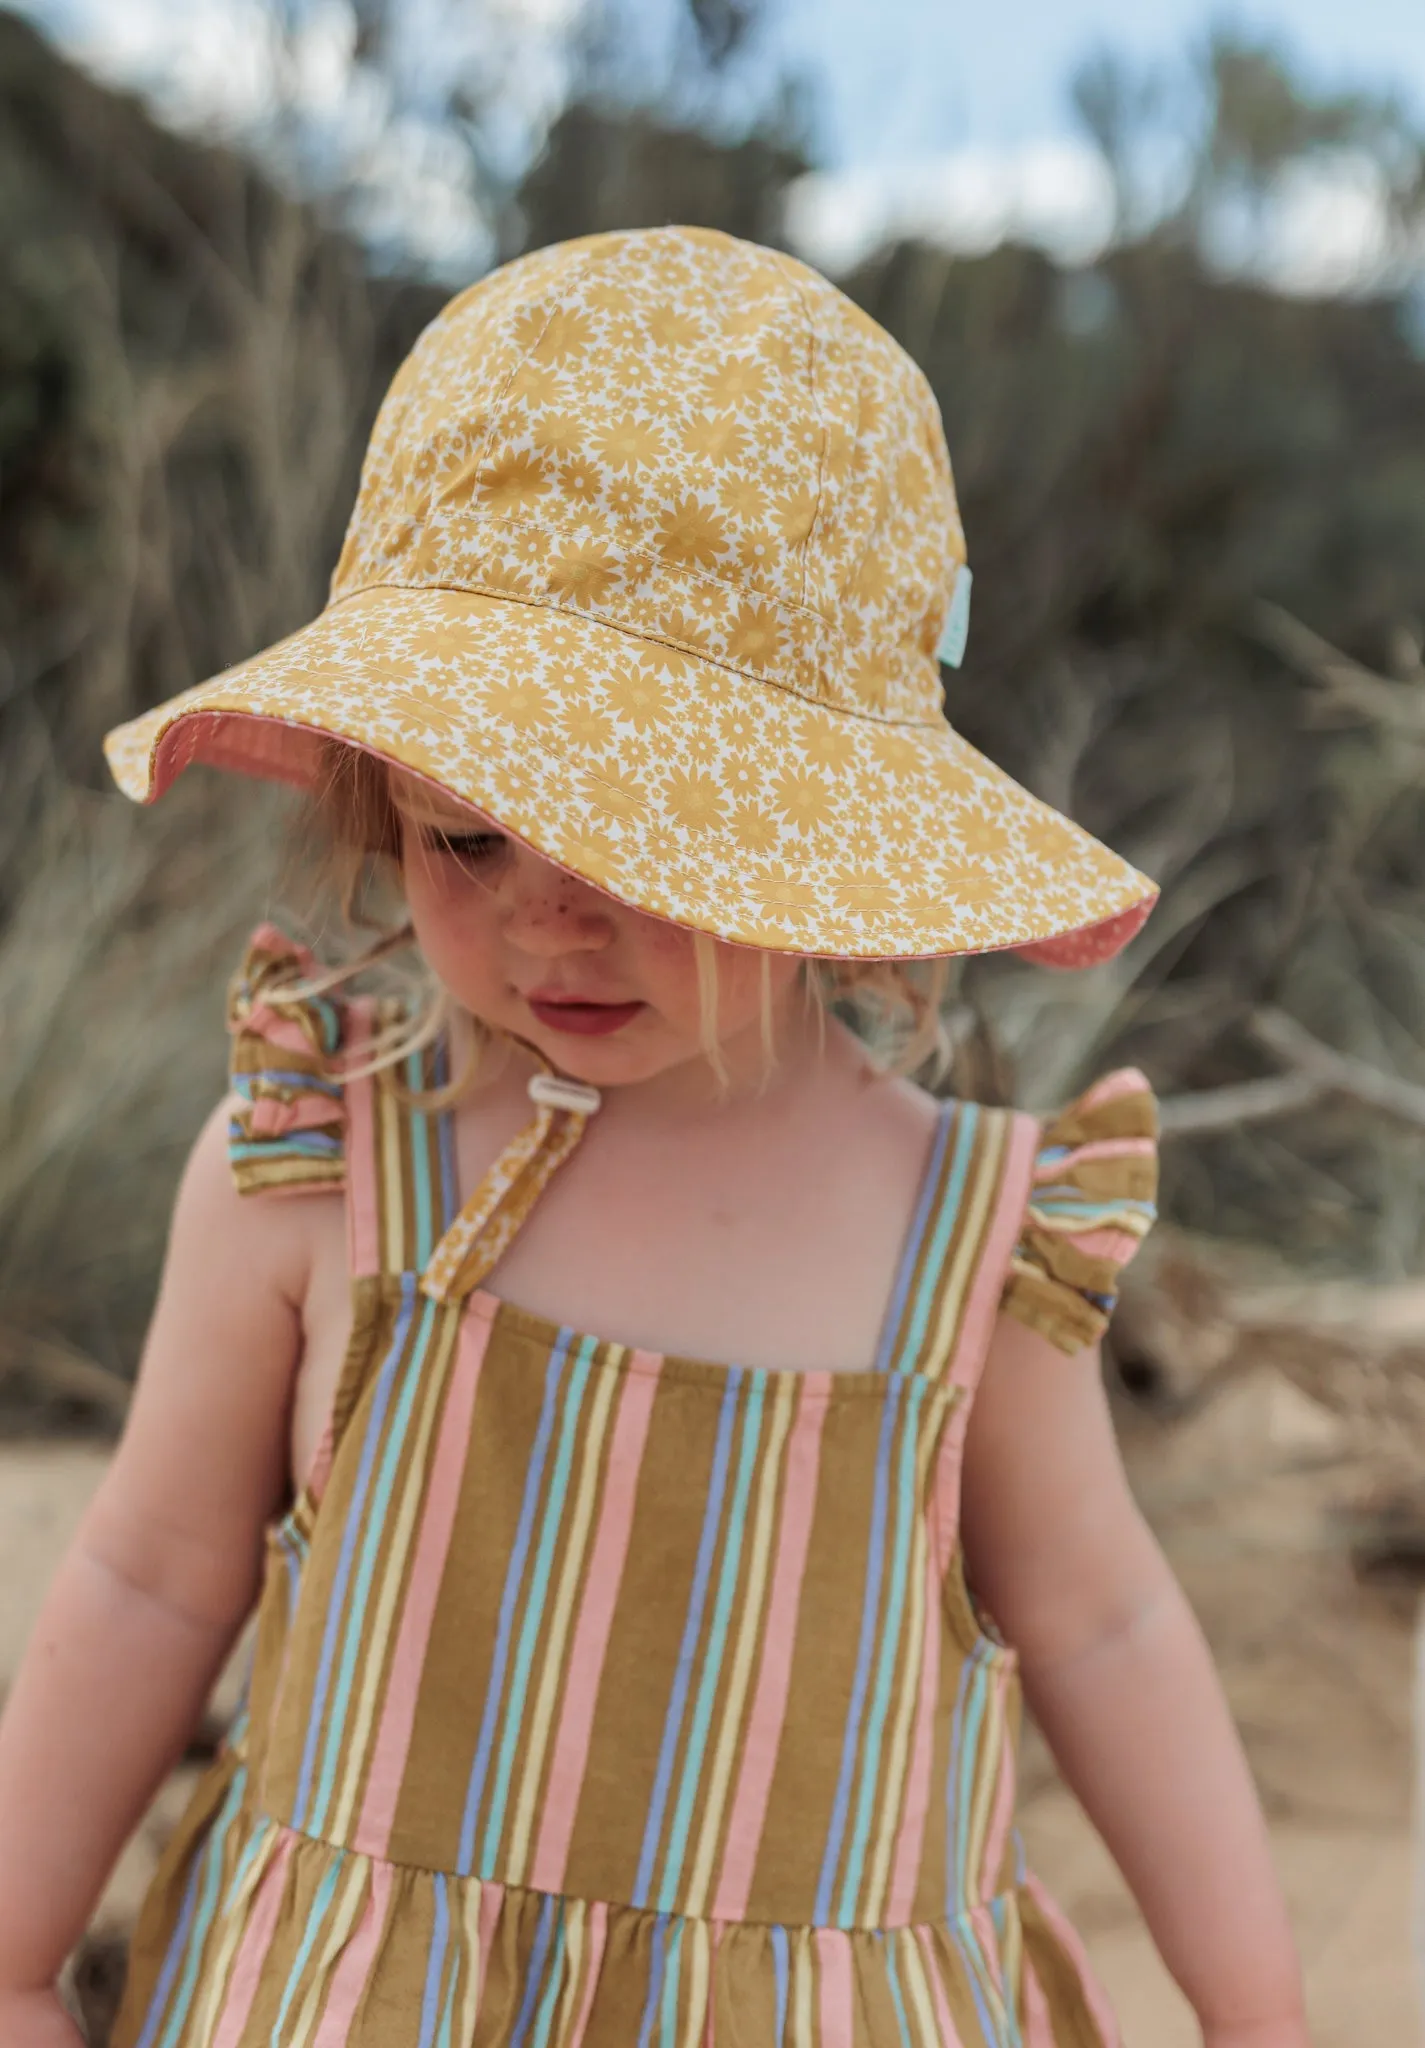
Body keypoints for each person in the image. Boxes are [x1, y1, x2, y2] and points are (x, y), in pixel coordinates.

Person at [0, 226, 1308, 2048]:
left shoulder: (963, 1246)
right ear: (380, 814)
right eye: (471, 842)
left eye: (636, 852)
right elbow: (151, 1569)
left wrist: (1257, 2015)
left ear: (824, 845)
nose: (549, 926)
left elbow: (1103, 1632)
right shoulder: (312, 1170)